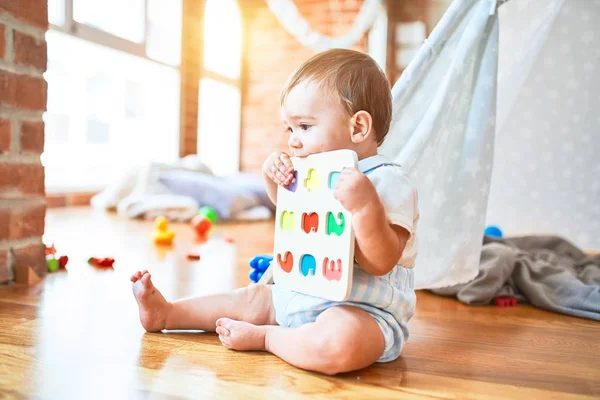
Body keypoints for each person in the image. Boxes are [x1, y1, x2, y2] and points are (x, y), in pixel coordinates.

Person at [131, 49, 419, 375]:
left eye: (305, 126)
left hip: (359, 311)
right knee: (249, 299)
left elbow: (381, 262)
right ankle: (168, 313)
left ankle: (269, 338)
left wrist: (366, 207)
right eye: (289, 129)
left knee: (340, 344)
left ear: (358, 127)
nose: (293, 142)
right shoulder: (311, 171)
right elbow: (289, 213)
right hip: (296, 294)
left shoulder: (389, 181)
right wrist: (275, 178)